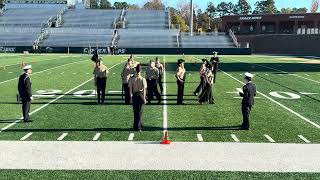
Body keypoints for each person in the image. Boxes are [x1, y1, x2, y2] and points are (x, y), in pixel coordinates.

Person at [128, 64, 147, 132]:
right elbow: (144, 89)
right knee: (140, 112)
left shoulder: (132, 78)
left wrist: (130, 97)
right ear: (141, 70)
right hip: (141, 95)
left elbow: (130, 89)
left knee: (135, 111)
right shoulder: (143, 79)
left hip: (135, 95)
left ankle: (137, 125)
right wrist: (144, 98)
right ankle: (138, 127)